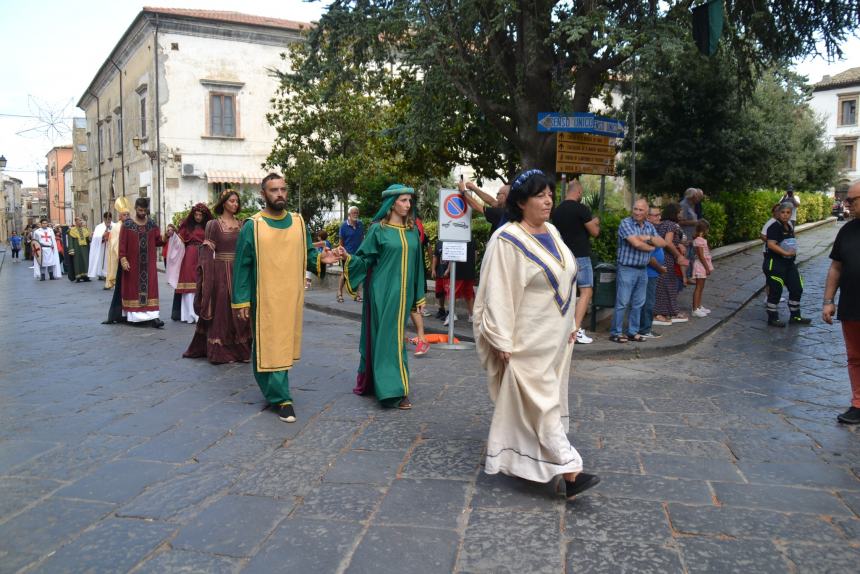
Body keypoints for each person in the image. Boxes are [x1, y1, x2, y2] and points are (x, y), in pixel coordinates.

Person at [472, 168, 599, 501]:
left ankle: (527, 460)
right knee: (542, 403)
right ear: (520, 202)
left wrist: (572, 323)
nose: (548, 200)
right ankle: (570, 468)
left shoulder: (554, 232)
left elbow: (567, 276)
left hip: (554, 337)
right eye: (539, 195)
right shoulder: (507, 239)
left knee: (541, 402)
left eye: (549, 194)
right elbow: (498, 291)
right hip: (524, 340)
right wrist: (500, 339)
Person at [232, 173, 339, 423]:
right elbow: (242, 266)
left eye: (283, 189)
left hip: (290, 296)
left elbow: (308, 255)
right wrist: (241, 300)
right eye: (273, 190)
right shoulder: (253, 225)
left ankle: (276, 393)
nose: (279, 194)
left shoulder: (299, 222)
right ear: (263, 194)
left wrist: (322, 260)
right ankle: (282, 398)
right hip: (265, 297)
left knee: (282, 344)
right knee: (268, 344)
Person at [341, 183, 427, 410]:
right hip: (382, 292)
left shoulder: (411, 232)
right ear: (391, 204)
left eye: (410, 201)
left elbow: (418, 266)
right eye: (403, 200)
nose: (408, 205)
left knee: (391, 338)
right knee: (390, 339)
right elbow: (364, 259)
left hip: (404, 294)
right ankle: (394, 390)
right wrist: (348, 259)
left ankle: (381, 382)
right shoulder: (378, 230)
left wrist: (419, 296)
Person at [183, 190, 251, 364]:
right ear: (224, 203)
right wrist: (207, 277)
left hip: (238, 272)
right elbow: (207, 253)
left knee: (239, 310)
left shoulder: (242, 224)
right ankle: (219, 351)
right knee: (222, 310)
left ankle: (241, 350)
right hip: (220, 271)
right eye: (232, 201)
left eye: (237, 201)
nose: (235, 204)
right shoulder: (213, 225)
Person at [823, 180, 860, 424]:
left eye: (851, 200)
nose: (846, 205)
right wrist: (828, 300)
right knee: (855, 357)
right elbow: (836, 267)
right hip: (852, 306)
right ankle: (858, 404)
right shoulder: (847, 230)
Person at [610, 199, 668, 343]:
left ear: (646, 212)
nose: (636, 212)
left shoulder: (649, 227)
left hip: (642, 270)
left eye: (640, 210)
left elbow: (663, 242)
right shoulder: (626, 223)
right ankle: (616, 333)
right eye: (635, 209)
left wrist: (648, 238)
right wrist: (651, 246)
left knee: (638, 303)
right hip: (627, 269)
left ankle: (632, 332)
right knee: (622, 302)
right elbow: (636, 244)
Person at [551, 178, 600, 344]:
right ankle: (576, 330)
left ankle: (562, 329)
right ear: (578, 192)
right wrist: (595, 223)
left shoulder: (556, 210)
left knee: (566, 293)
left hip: (562, 257)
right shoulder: (581, 209)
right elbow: (594, 232)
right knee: (586, 291)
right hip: (580, 257)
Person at [119, 198, 165, 328]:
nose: (142, 213)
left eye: (144, 210)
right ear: (135, 208)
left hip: (148, 264)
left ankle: (154, 317)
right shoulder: (127, 225)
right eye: (140, 210)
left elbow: (158, 241)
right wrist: (123, 258)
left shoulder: (151, 224)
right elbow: (122, 243)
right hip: (133, 264)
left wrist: (166, 236)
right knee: (133, 289)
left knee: (151, 288)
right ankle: (135, 317)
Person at [763, 201, 811, 327]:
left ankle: (795, 316)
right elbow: (771, 244)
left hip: (788, 264)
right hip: (775, 263)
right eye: (783, 212)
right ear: (778, 213)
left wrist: (791, 252)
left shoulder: (789, 226)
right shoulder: (774, 227)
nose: (785, 215)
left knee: (797, 287)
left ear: (791, 214)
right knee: (776, 291)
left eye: (788, 213)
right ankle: (772, 318)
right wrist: (786, 252)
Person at [652, 203, 690, 326]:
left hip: (658, 257)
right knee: (667, 286)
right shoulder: (672, 225)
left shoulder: (660, 224)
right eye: (679, 212)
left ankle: (668, 311)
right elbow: (668, 242)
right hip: (667, 258)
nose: (681, 214)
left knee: (664, 286)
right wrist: (678, 255)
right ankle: (660, 313)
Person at [174, 204, 213, 323]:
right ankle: (189, 315)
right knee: (189, 284)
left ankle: (201, 313)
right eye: (196, 214)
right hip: (190, 255)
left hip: (204, 254)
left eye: (200, 215)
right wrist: (171, 235)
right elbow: (178, 241)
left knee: (202, 283)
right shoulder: (187, 227)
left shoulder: (209, 227)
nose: (198, 217)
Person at [638, 207, 666, 339]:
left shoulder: (652, 230)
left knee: (648, 301)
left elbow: (663, 243)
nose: (659, 217)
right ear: (648, 217)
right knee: (647, 303)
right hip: (649, 272)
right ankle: (644, 329)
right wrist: (660, 268)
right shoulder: (646, 231)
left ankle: (644, 328)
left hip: (653, 273)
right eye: (656, 215)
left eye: (659, 215)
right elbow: (648, 256)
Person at [103, 198, 132, 324]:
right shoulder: (117, 228)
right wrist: (123, 256)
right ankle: (120, 313)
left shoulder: (132, 225)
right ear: (120, 216)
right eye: (124, 214)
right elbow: (115, 245)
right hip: (122, 261)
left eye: (128, 214)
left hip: (132, 261)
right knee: (121, 288)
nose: (127, 216)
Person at [337, 206, 364, 303]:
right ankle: (339, 293)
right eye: (354, 213)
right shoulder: (343, 226)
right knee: (345, 274)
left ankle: (356, 295)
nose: (356, 214)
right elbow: (341, 242)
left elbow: (362, 239)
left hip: (357, 256)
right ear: (349, 214)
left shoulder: (360, 224)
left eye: (357, 213)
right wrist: (342, 253)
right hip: (346, 254)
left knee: (356, 275)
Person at [691, 220, 713, 318]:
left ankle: (699, 306)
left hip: (702, 265)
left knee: (701, 287)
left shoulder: (702, 240)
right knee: (699, 287)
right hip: (701, 265)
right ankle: (695, 309)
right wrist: (707, 267)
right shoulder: (699, 240)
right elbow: (701, 256)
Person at [88, 212, 112, 280]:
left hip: (110, 246)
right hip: (102, 247)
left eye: (109, 219)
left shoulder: (114, 225)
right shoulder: (99, 227)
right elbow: (95, 237)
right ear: (104, 218)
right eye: (107, 219)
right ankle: (102, 274)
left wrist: (110, 235)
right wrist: (102, 235)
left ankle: (110, 274)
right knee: (102, 260)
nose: (108, 220)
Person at [67, 217, 92, 282]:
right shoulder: (71, 230)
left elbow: (88, 240)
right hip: (76, 248)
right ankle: (78, 277)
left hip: (85, 249)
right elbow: (70, 241)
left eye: (81, 220)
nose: (81, 221)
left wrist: (90, 238)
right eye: (79, 220)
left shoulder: (85, 229)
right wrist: (71, 249)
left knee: (85, 262)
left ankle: (86, 276)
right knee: (77, 262)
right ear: (76, 221)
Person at [431, 240, 448, 319]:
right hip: (439, 271)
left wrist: (448, 270)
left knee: (448, 293)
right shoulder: (439, 242)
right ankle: (442, 309)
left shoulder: (452, 241)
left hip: (449, 274)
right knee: (440, 293)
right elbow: (435, 256)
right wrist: (433, 269)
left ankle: (450, 312)